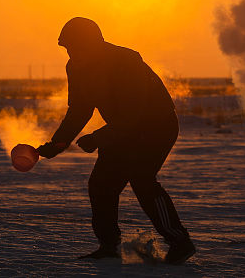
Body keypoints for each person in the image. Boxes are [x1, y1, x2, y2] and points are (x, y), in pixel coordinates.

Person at [37, 17, 195, 264]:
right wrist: (58, 143)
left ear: (92, 44)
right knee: (101, 185)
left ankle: (180, 242)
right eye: (67, 48)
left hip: (156, 126)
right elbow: (79, 109)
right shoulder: (75, 67)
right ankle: (108, 246)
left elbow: (134, 113)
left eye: (74, 47)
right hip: (121, 130)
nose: (70, 53)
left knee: (142, 179)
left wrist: (99, 137)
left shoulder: (125, 61)